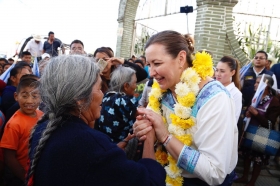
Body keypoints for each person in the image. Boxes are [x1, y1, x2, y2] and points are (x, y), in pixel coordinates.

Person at [26, 55, 166, 186]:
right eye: (99, 88)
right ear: (80, 99)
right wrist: (148, 136)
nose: (103, 95)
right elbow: (151, 182)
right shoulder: (90, 146)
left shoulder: (44, 126)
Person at [133, 30, 238, 186]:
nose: (151, 72)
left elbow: (215, 172)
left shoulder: (215, 98)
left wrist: (165, 136)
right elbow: (151, 125)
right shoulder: (161, 89)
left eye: (157, 63)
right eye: (149, 65)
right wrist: (144, 129)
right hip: (165, 171)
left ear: (181, 58)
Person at [235, 74, 280, 186]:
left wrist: (256, 114)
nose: (255, 84)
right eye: (256, 82)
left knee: (257, 160)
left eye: (258, 83)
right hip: (249, 132)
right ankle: (244, 177)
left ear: (266, 86)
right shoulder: (255, 97)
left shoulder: (274, 102)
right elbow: (249, 112)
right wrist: (248, 113)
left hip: (262, 135)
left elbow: (270, 124)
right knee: (247, 156)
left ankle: (252, 182)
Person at [0, 76, 43, 185]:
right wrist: (25, 178)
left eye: (34, 96)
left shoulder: (42, 116)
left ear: (41, 98)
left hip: (36, 170)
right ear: (16, 96)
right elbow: (9, 157)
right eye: (24, 96)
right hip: (20, 176)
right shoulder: (14, 124)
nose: (29, 101)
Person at [96, 66, 138, 143]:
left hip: (105, 142)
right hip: (121, 145)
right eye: (135, 82)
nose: (136, 86)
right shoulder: (126, 102)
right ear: (126, 86)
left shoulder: (107, 96)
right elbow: (141, 114)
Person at [215, 56, 242, 122]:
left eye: (222, 71)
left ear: (232, 72)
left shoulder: (236, 94)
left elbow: (233, 120)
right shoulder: (212, 88)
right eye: (217, 70)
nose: (218, 74)